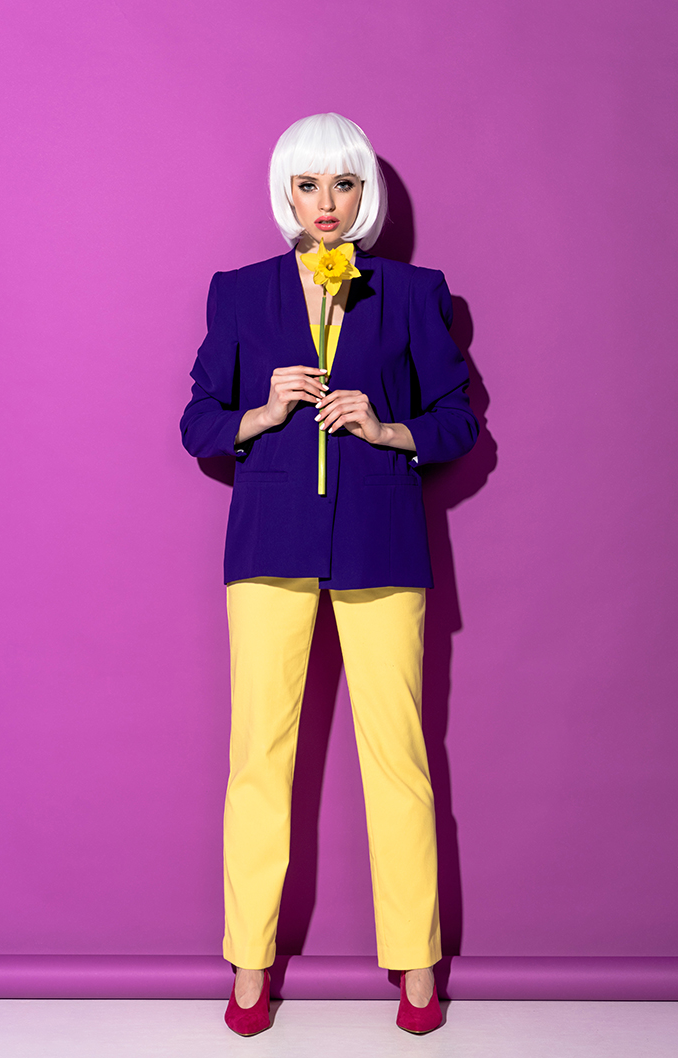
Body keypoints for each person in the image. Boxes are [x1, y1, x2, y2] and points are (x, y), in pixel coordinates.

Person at [180, 113, 479, 1036]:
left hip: (382, 544)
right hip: (269, 545)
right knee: (258, 759)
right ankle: (249, 964)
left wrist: (388, 428)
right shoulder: (240, 293)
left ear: (364, 194)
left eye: (343, 184)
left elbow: (459, 420)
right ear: (286, 193)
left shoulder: (415, 293)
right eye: (308, 184)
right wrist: (262, 411)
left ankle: (417, 965)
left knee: (398, 759)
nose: (326, 202)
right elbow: (196, 422)